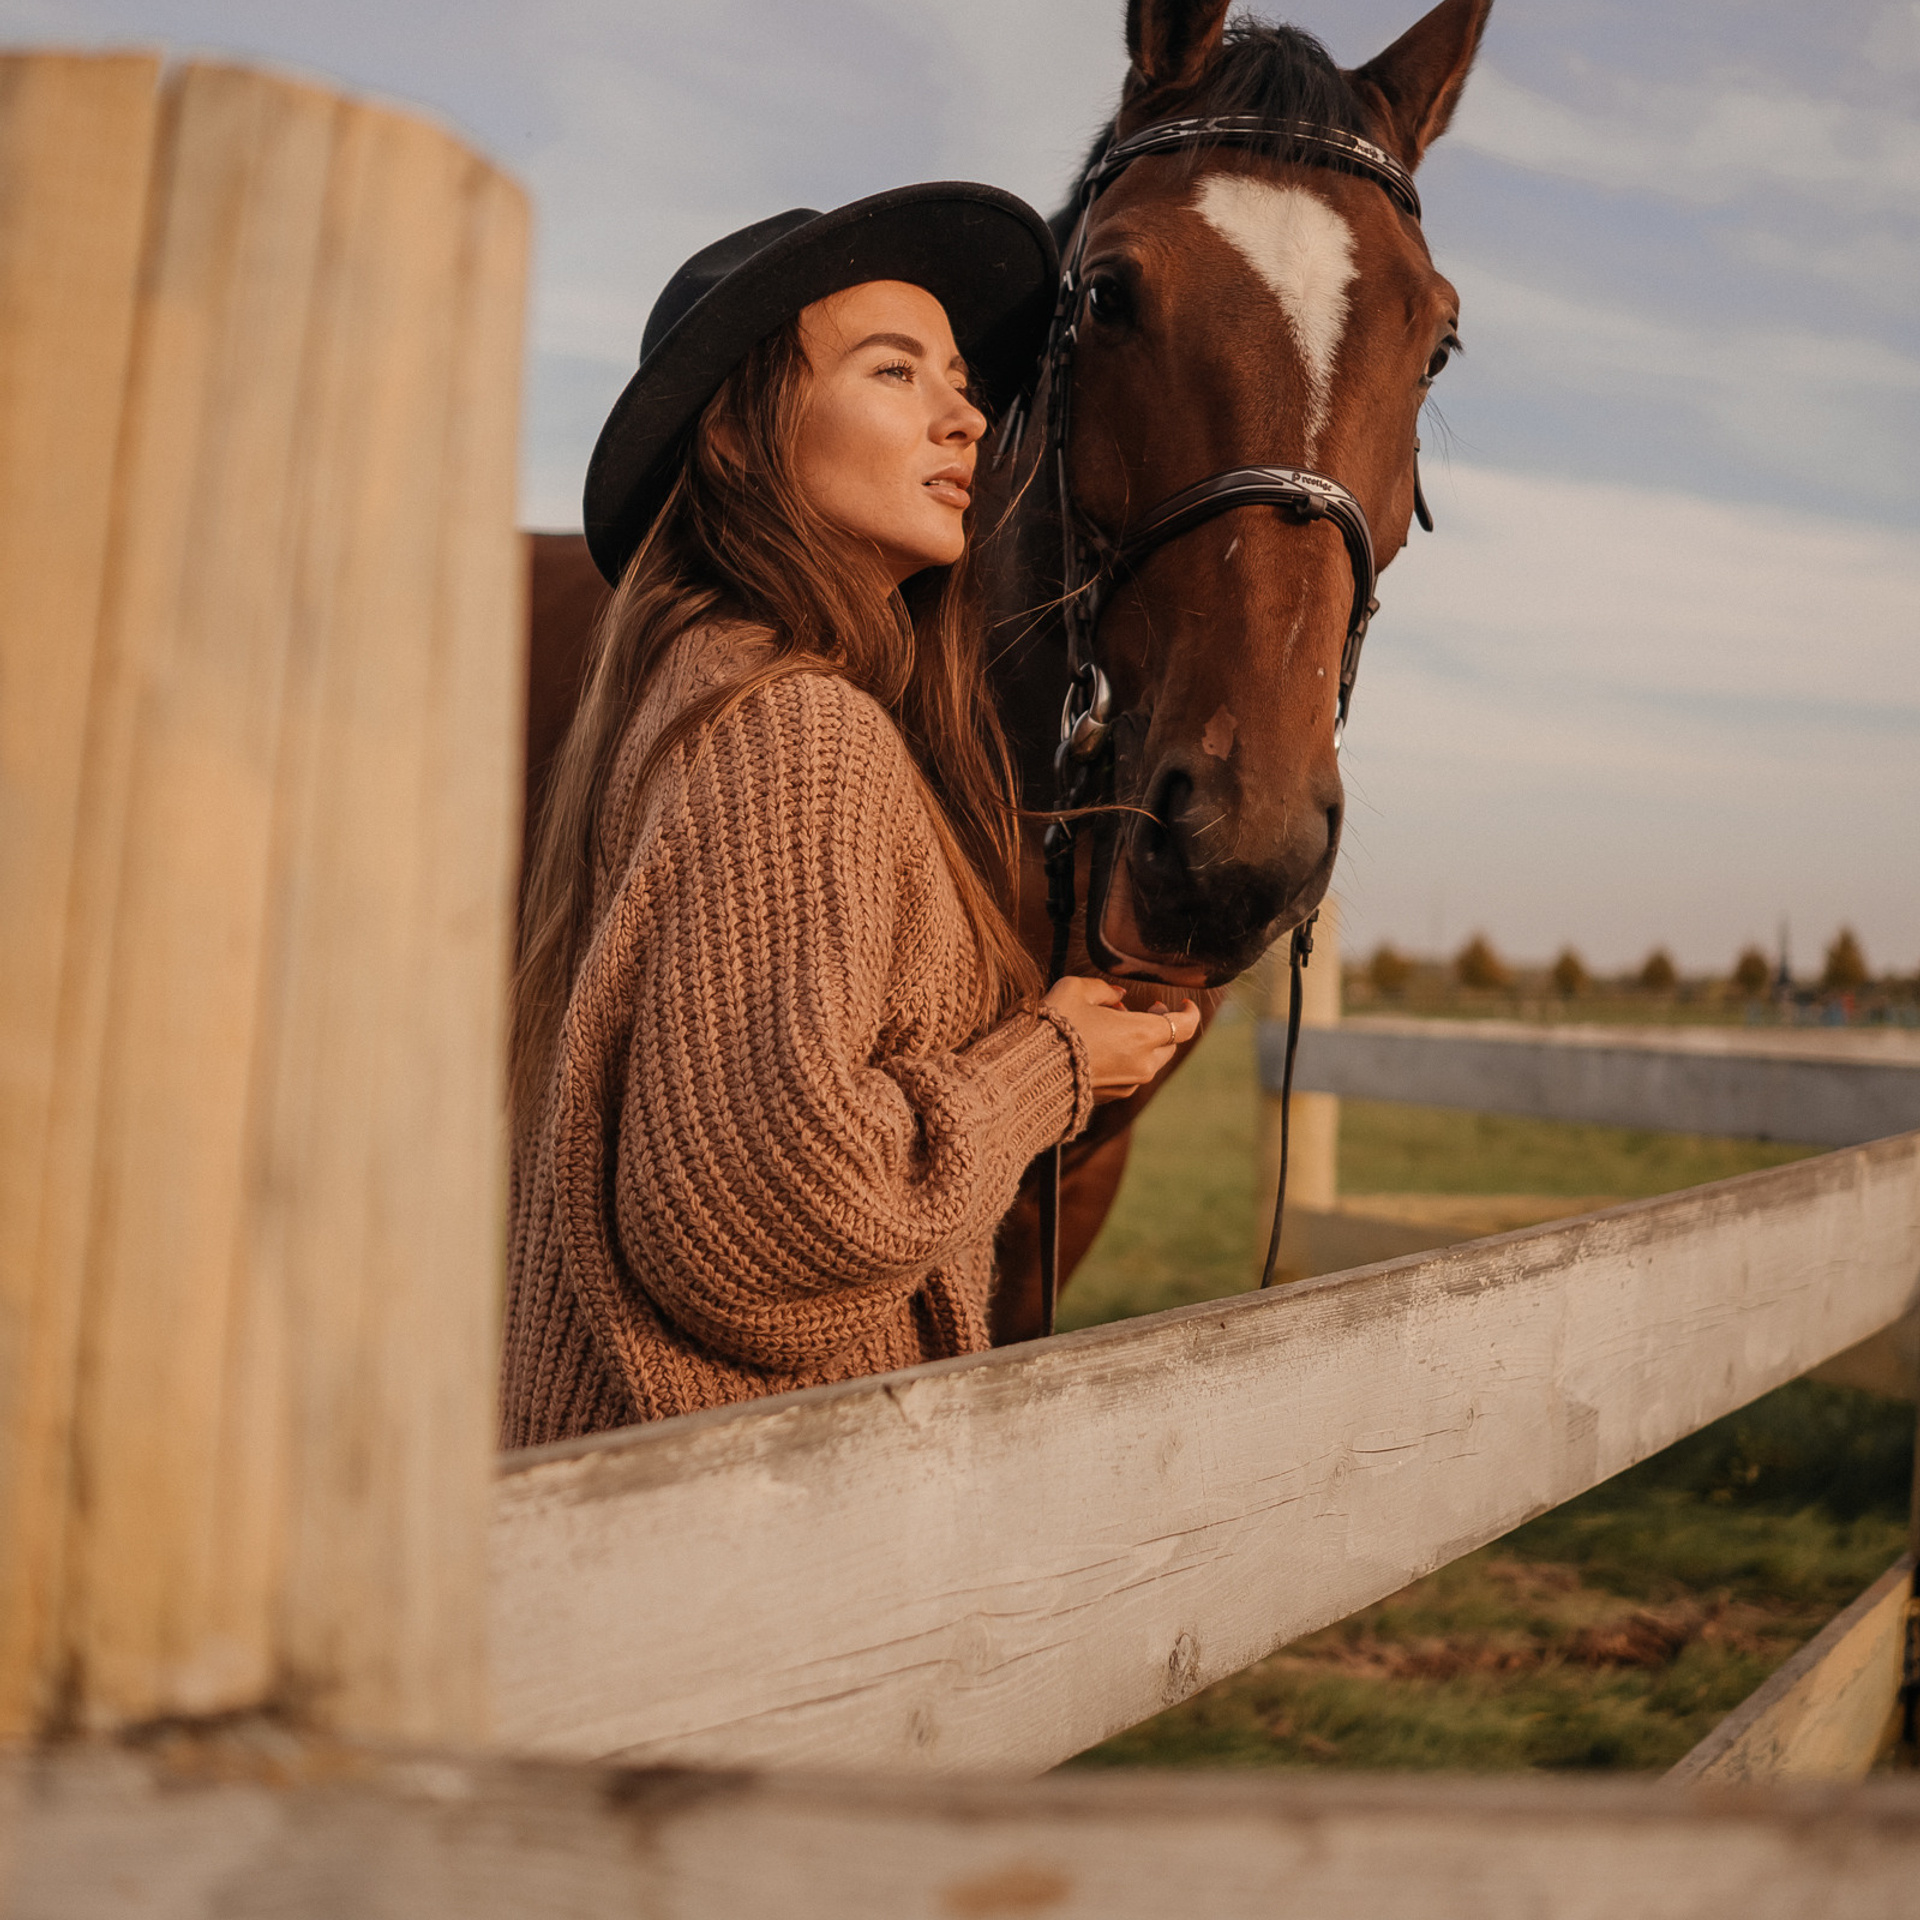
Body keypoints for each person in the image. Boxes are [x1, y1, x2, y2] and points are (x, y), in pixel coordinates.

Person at [502, 184, 1200, 1446]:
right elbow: (775, 1219)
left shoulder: (699, 694)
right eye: (895, 371)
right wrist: (1056, 1063)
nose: (967, 414)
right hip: (739, 1536)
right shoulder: (798, 729)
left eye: (960, 377)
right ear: (744, 437)